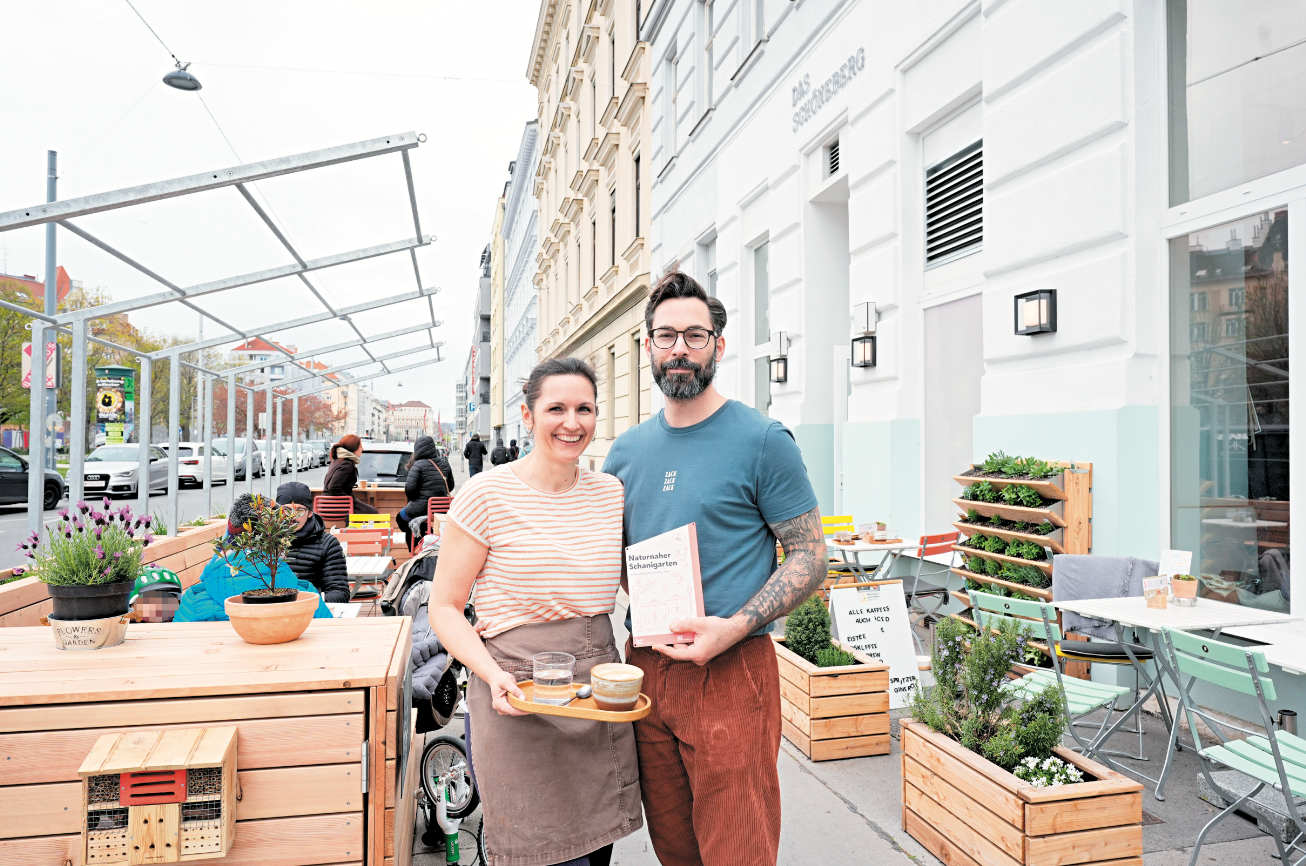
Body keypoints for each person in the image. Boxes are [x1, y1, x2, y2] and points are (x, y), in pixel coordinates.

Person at [602, 272, 825, 866]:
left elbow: (810, 555)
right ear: (648, 346)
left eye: (694, 336)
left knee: (737, 850)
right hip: (648, 667)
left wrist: (734, 625)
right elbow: (620, 561)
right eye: (666, 335)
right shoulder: (625, 452)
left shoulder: (762, 440)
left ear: (718, 347)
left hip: (733, 669)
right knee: (674, 849)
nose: (679, 348)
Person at [429, 358, 639, 866]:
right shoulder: (486, 494)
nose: (573, 422)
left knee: (592, 853)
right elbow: (445, 608)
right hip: (516, 691)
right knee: (534, 852)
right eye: (557, 408)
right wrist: (492, 674)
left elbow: (636, 580)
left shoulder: (610, 494)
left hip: (595, 691)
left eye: (585, 408)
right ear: (527, 416)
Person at [174, 493, 335, 622]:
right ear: (278, 542)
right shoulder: (306, 595)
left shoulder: (194, 600)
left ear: (227, 537)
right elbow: (328, 641)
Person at [277, 481, 350, 604]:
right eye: (286, 510)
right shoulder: (265, 542)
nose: (291, 516)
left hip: (312, 612)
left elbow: (340, 593)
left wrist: (303, 601)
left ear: (310, 512)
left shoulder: (328, 544)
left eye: (299, 510)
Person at [397, 435, 453, 549]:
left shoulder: (418, 465)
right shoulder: (444, 463)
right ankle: (428, 538)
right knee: (422, 523)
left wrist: (415, 499)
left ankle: (419, 546)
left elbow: (410, 489)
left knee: (401, 519)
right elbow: (450, 486)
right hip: (442, 508)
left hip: (421, 507)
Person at [323, 433, 378, 514]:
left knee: (369, 511)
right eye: (360, 446)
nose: (362, 449)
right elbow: (333, 487)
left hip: (326, 503)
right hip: (334, 505)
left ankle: (352, 526)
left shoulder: (338, 461)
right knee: (373, 513)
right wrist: (349, 499)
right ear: (353, 448)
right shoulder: (346, 464)